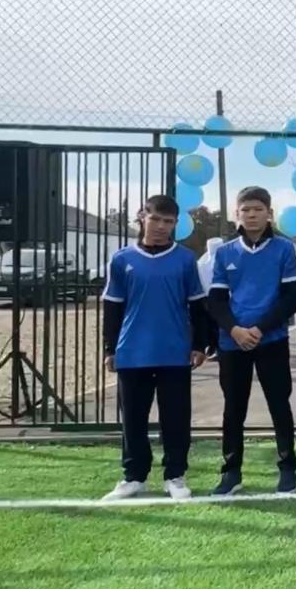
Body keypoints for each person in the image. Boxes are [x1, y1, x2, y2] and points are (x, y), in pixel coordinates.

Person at [100, 195, 208, 501]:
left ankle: (175, 475)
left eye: (168, 221)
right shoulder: (121, 259)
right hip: (132, 352)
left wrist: (199, 344)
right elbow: (112, 306)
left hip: (175, 351)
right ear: (141, 217)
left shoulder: (185, 259)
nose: (161, 226)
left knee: (176, 418)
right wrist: (110, 348)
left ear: (175, 224)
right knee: (133, 419)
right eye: (155, 219)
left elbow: (197, 304)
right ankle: (134, 477)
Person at [206, 186, 296, 496]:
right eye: (245, 209)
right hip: (233, 343)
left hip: (271, 340)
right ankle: (231, 473)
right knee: (234, 409)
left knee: (279, 405)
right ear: (237, 214)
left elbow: (293, 297)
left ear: (269, 213)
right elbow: (216, 300)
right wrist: (235, 330)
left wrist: (261, 328)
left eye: (258, 209)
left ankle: (287, 468)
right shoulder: (224, 253)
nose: (251, 215)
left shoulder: (285, 249)